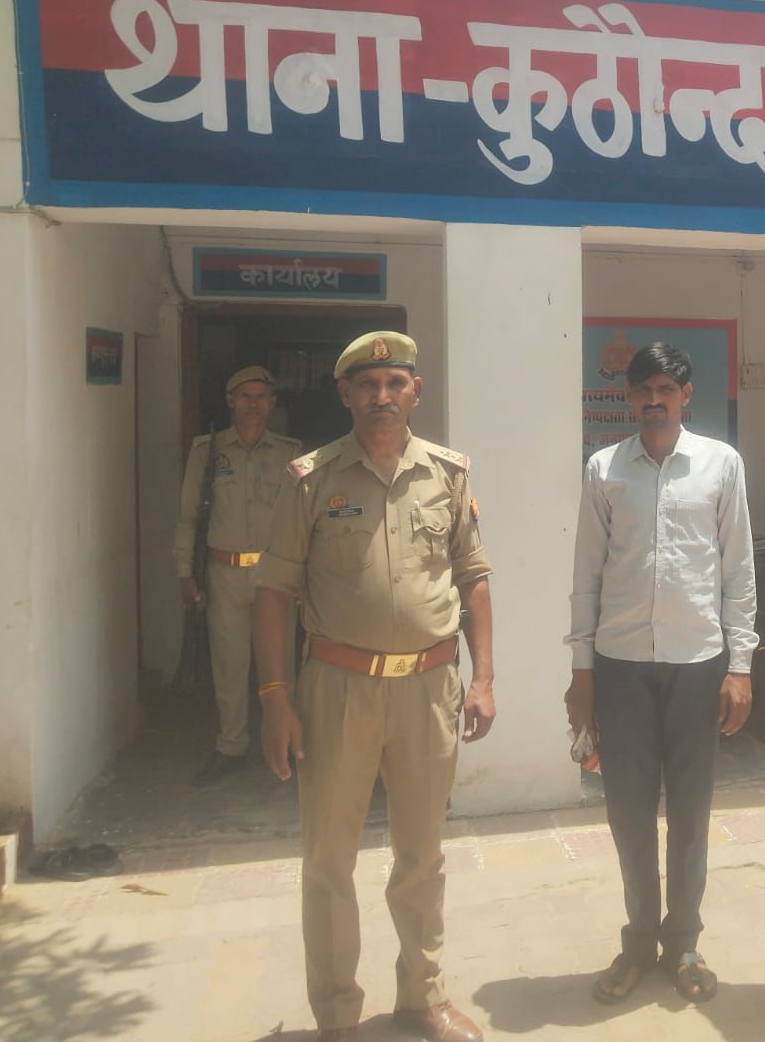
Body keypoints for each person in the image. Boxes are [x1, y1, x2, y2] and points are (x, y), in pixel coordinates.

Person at [253, 331, 494, 1042]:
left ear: (416, 391)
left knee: (422, 855)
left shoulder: (447, 475)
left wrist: (483, 677)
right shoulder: (312, 479)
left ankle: (423, 998)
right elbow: (272, 592)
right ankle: (336, 1015)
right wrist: (274, 698)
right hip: (338, 690)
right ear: (346, 394)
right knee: (328, 859)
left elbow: (473, 577)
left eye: (395, 384)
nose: (381, 396)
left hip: (428, 689)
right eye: (367, 384)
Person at [564, 342, 757, 1005]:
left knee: (692, 813)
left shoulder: (721, 465)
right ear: (629, 398)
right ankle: (638, 942)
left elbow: (738, 571)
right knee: (628, 812)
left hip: (697, 665)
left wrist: (740, 665)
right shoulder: (604, 469)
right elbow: (586, 575)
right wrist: (582, 670)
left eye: (665, 390)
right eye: (643, 390)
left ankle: (685, 943)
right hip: (620, 668)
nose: (654, 401)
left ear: (685, 396)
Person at [174, 365, 301, 786]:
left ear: (272, 402)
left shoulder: (290, 453)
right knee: (229, 665)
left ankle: (285, 742)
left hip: (274, 576)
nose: (253, 404)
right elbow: (189, 517)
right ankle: (231, 747)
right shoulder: (207, 452)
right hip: (224, 573)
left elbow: (301, 520)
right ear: (230, 401)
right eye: (244, 396)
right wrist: (184, 571)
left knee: (280, 664)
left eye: (261, 396)